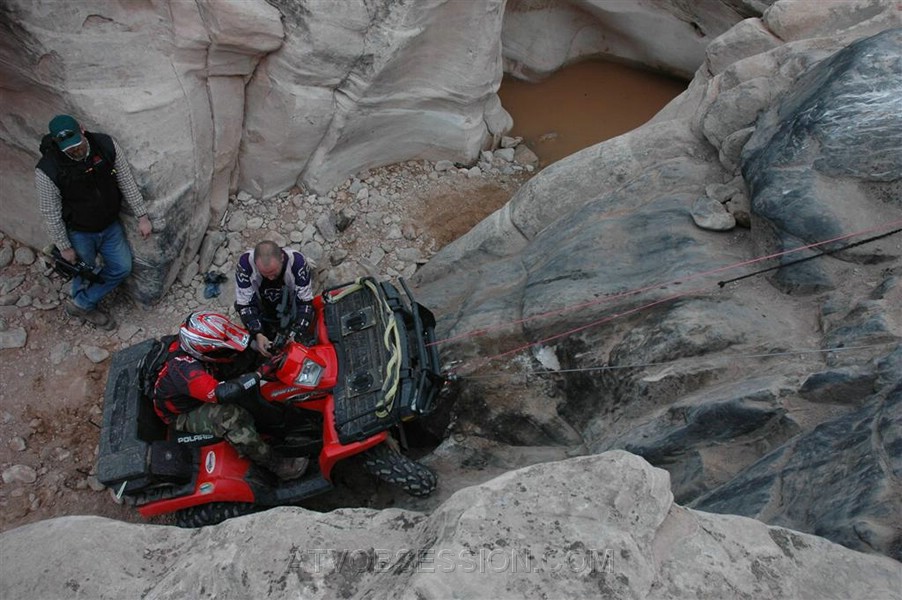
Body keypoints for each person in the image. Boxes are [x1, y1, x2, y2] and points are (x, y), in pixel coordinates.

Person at [152, 311, 308, 480]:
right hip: (183, 412)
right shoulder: (185, 371)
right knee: (231, 417)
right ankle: (275, 464)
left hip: (206, 378)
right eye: (219, 351)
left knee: (246, 358)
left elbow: (238, 340)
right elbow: (223, 394)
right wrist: (258, 374)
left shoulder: (204, 337)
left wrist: (259, 345)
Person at [35, 114, 152, 330]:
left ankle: (81, 303)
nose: (74, 150)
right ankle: (84, 304)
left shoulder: (105, 145)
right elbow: (50, 211)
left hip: (110, 225)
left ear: (82, 129)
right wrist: (64, 246)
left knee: (122, 267)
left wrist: (142, 216)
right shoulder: (47, 170)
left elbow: (125, 180)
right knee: (83, 271)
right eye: (68, 149)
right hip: (79, 231)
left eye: (77, 144)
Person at [235, 240, 316, 357]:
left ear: (282, 258)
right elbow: (245, 304)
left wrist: (296, 333)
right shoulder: (245, 265)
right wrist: (257, 333)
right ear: (256, 264)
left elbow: (305, 302)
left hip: (289, 307)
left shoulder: (297, 263)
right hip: (262, 307)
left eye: (274, 272)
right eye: (265, 274)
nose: (271, 278)